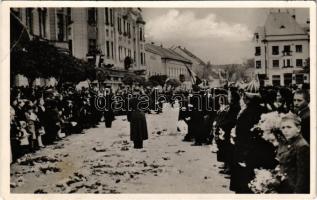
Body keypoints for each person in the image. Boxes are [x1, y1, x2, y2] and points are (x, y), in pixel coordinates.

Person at [277, 112, 310, 193]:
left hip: (294, 188)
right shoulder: (290, 142)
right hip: (286, 184)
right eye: (283, 127)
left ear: (298, 128)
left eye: (289, 127)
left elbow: (303, 175)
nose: (285, 130)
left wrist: (297, 194)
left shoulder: (302, 146)